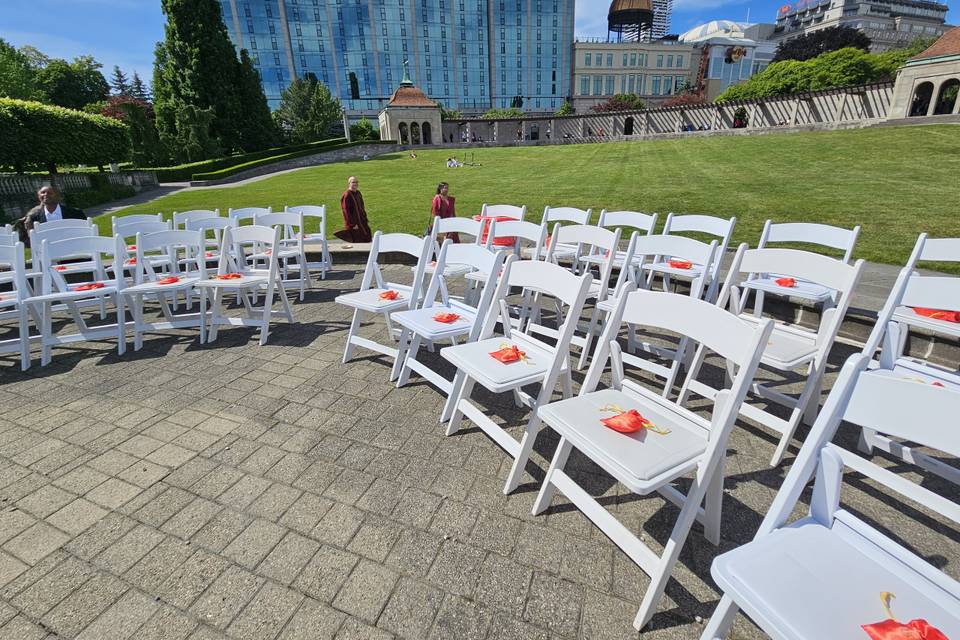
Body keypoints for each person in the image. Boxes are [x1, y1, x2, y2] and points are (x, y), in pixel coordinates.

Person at [15, 185, 87, 246]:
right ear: (39, 196)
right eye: (43, 192)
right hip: (47, 255)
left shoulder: (76, 213)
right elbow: (30, 241)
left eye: (49, 193)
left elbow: (85, 234)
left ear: (58, 196)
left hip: (74, 250)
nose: (46, 194)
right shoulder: (33, 218)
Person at [336, 176, 373, 243]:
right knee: (358, 241)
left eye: (356, 182)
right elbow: (346, 211)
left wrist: (365, 218)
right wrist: (352, 224)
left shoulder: (358, 193)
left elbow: (362, 206)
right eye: (353, 182)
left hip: (361, 221)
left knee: (367, 237)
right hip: (354, 224)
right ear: (349, 183)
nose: (355, 183)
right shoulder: (347, 195)